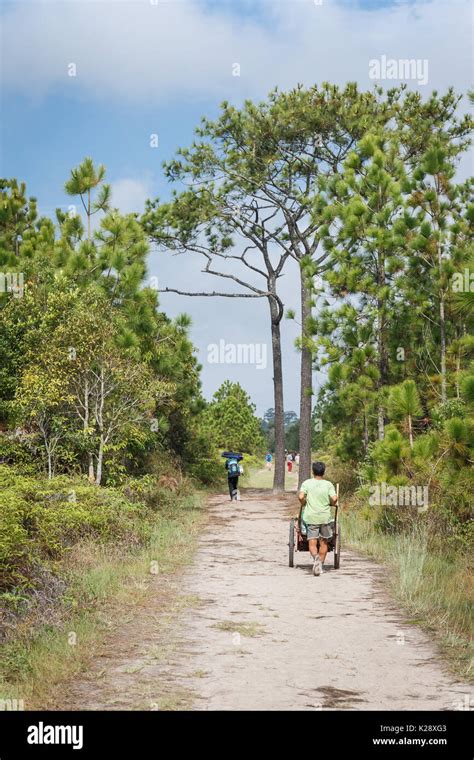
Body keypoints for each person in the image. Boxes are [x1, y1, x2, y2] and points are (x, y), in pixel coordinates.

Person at [298, 461, 337, 576]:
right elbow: (334, 499)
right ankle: (320, 566)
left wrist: (304, 502)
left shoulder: (307, 483)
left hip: (311, 516)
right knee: (324, 542)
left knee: (312, 541)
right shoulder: (328, 484)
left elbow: (300, 496)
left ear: (312, 471)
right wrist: (330, 502)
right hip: (324, 517)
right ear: (323, 472)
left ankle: (316, 559)